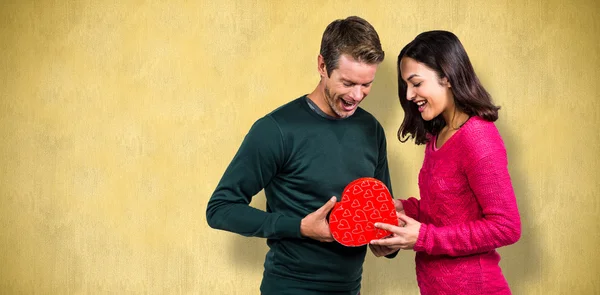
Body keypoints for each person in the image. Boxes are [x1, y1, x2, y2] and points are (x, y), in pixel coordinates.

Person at [206, 16, 396, 295]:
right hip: (288, 287)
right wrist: (299, 227)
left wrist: (387, 243)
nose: (356, 95)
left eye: (366, 84)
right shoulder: (276, 130)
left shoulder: (371, 130)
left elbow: (381, 212)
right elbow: (220, 209)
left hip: (350, 289)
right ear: (322, 66)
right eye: (347, 82)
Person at [370, 30, 522, 294]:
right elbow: (447, 210)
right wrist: (404, 210)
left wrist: (424, 238)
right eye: (405, 85)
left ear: (447, 77)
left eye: (416, 83)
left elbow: (506, 227)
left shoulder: (478, 138)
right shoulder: (439, 134)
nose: (408, 95)